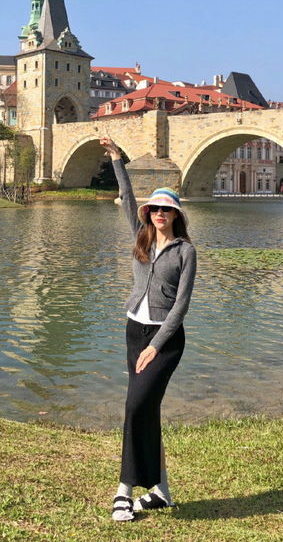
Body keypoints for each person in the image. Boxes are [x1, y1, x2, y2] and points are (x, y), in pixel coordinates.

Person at [99, 137, 197, 523]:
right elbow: (125, 197)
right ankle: (162, 492)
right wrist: (116, 159)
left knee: (134, 405)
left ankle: (124, 489)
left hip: (166, 340)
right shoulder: (139, 237)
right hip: (133, 330)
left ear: (175, 215)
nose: (160, 213)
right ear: (150, 212)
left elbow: (181, 307)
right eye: (155, 207)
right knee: (147, 409)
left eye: (166, 209)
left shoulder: (185, 251)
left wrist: (156, 346)